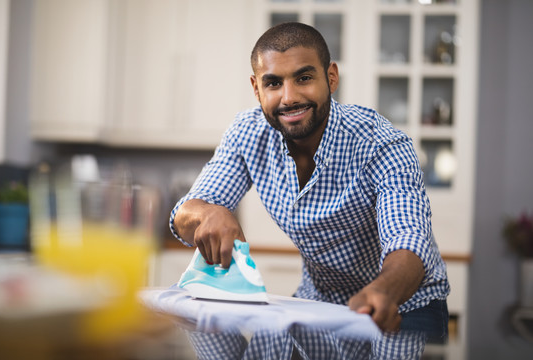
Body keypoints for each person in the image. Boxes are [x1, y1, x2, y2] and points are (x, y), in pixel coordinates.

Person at [170, 22, 449, 359]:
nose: (289, 98)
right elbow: (185, 213)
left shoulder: (382, 144)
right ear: (256, 89)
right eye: (273, 83)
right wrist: (210, 213)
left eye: (303, 78)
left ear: (331, 77)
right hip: (321, 292)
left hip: (401, 297)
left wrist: (383, 291)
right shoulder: (247, 133)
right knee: (270, 344)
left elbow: (408, 239)